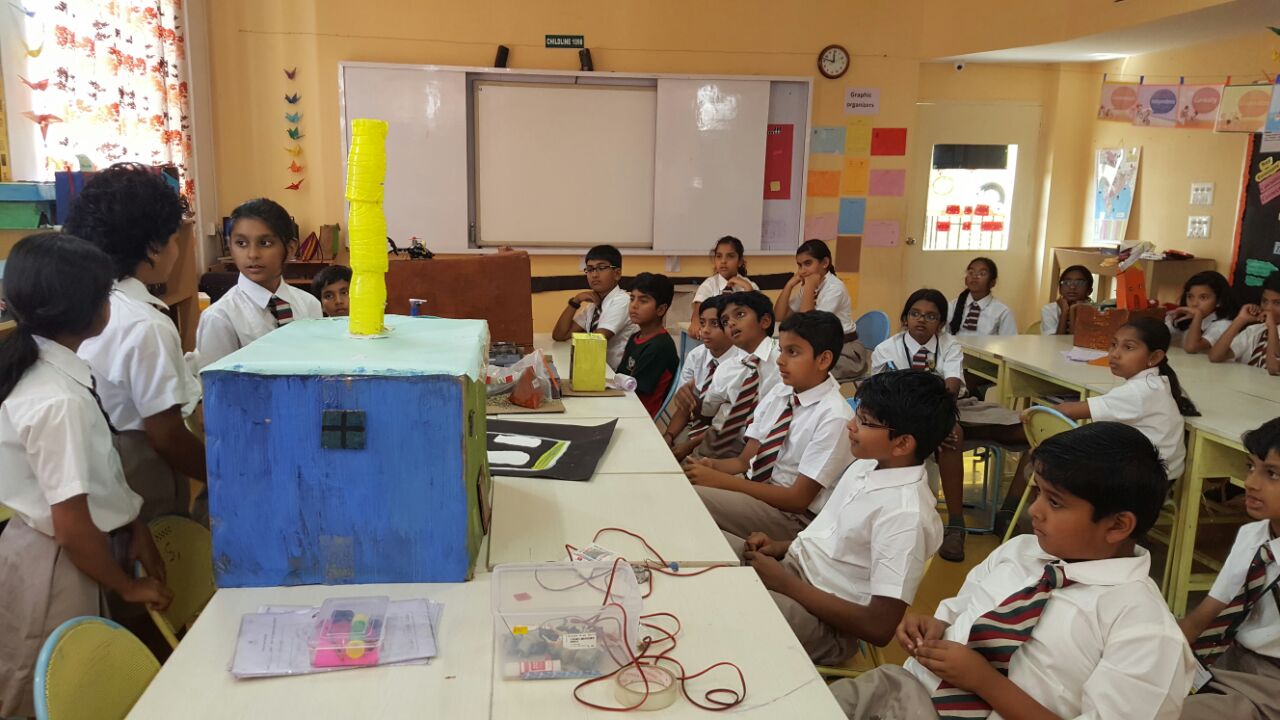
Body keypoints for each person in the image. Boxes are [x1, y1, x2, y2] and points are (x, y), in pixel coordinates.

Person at [827, 422, 1197, 720]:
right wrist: (936, 624)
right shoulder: (1022, 551)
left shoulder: (1144, 630)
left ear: (1117, 526)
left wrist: (984, 682)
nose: (1034, 510)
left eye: (1055, 502)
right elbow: (962, 608)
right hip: (903, 688)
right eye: (1038, 493)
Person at [0, 234, 173, 718]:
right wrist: (127, 587)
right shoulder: (58, 399)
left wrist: (133, 523)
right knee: (49, 690)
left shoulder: (53, 371)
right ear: (90, 307)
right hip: (57, 560)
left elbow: (94, 474)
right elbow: (73, 525)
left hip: (72, 549)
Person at [725, 369, 952, 664]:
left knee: (725, 602)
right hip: (793, 572)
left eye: (864, 421)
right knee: (706, 550)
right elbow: (832, 541)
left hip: (825, 625)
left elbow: (878, 627)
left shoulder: (905, 516)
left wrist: (784, 584)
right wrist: (778, 547)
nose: (850, 424)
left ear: (902, 444)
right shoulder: (867, 465)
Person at [64, 163, 205, 521]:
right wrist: (219, 474)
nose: (177, 249)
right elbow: (166, 435)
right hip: (138, 478)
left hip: (85, 480)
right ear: (154, 247)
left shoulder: (78, 305)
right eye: (175, 239)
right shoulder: (146, 323)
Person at [871, 288, 1026, 562]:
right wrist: (935, 424)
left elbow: (952, 386)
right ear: (905, 318)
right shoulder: (887, 349)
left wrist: (939, 418)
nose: (922, 320)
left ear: (941, 323)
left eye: (931, 316)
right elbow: (885, 400)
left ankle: (1009, 512)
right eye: (915, 314)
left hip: (952, 407)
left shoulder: (949, 345)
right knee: (952, 433)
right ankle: (956, 526)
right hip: (903, 417)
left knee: (1032, 431)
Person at [686, 311, 854, 540]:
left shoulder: (834, 417)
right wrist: (712, 466)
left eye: (792, 352)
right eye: (781, 350)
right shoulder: (781, 392)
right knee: (680, 481)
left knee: (688, 498)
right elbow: (743, 462)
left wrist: (721, 481)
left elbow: (797, 500)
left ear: (823, 360)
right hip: (756, 491)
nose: (780, 360)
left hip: (791, 516)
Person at [1179, 417, 1280, 719]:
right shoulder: (1254, 536)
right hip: (1226, 658)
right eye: (1251, 467)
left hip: (1270, 683)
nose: (1250, 483)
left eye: (1272, 474)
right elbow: (1203, 617)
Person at [1046, 317, 1197, 481]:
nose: (1114, 354)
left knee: (1048, 458)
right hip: (1156, 473)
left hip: (1144, 480)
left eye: (1128, 347)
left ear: (1154, 358)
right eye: (1113, 344)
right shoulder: (1155, 382)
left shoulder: (1139, 391)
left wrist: (1030, 414)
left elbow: (1067, 411)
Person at [193, 198, 322, 370]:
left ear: (290, 248)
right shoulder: (220, 318)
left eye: (265, 243)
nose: (252, 254)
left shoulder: (310, 305)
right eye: (241, 243)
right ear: (230, 246)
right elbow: (215, 384)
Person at [690, 291, 782, 459]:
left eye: (739, 314)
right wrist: (692, 402)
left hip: (768, 446)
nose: (731, 323)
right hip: (722, 442)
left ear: (765, 321)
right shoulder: (726, 369)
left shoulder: (784, 359)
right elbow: (708, 412)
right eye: (725, 321)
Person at [663, 295, 744, 459]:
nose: (705, 330)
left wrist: (688, 447)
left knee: (687, 463)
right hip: (695, 425)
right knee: (662, 452)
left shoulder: (742, 364)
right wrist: (668, 436)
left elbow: (723, 423)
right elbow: (685, 407)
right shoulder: (696, 356)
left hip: (725, 436)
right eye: (702, 322)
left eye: (714, 324)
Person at [774, 239, 867, 381]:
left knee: (797, 370)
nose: (802, 271)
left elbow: (807, 326)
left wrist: (809, 287)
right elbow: (779, 316)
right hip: (821, 347)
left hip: (846, 352)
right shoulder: (809, 286)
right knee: (779, 363)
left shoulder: (835, 288)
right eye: (799, 265)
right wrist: (789, 285)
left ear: (824, 263)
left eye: (808, 263)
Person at [551, 244, 636, 371]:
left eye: (601, 268)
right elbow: (560, 335)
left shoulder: (622, 301)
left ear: (617, 273)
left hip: (617, 375)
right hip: (597, 370)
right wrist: (576, 301)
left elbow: (596, 340)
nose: (594, 275)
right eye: (590, 269)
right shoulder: (593, 305)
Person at [616, 272, 679, 418]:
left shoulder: (659, 346)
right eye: (632, 299)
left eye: (643, 301)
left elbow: (636, 392)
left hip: (638, 415)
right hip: (625, 404)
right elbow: (620, 377)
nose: (634, 306)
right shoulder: (635, 337)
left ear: (661, 309)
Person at [1209, 271, 1280, 373]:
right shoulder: (1255, 330)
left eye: (1277, 303)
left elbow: (1274, 368)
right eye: (1265, 301)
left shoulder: (1271, 329)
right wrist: (1240, 319)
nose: (1268, 308)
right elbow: (1215, 356)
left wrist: (1272, 327)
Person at [690, 236, 759, 327]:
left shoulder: (749, 286)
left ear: (740, 261)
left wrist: (748, 289)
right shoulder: (708, 285)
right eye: (719, 256)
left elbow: (758, 319)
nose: (723, 261)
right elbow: (696, 318)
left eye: (730, 256)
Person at [1167, 270, 1236, 354]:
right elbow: (1159, 335)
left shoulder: (1223, 325)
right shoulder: (1186, 317)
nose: (1194, 304)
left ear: (1219, 301)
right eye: (1190, 296)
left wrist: (1197, 316)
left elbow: (1192, 347)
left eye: (1203, 297)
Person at [946, 257, 1017, 337]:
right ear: (966, 280)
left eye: (982, 273)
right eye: (971, 272)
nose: (975, 276)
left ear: (993, 282)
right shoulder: (952, 306)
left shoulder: (1002, 312)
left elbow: (1009, 342)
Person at [1041, 265, 1094, 335]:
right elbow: (1055, 340)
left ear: (1089, 290)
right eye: (1066, 282)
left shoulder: (1094, 311)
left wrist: (1072, 312)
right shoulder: (1049, 309)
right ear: (1060, 289)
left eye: (1080, 283)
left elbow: (1078, 339)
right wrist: (1064, 312)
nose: (1072, 287)